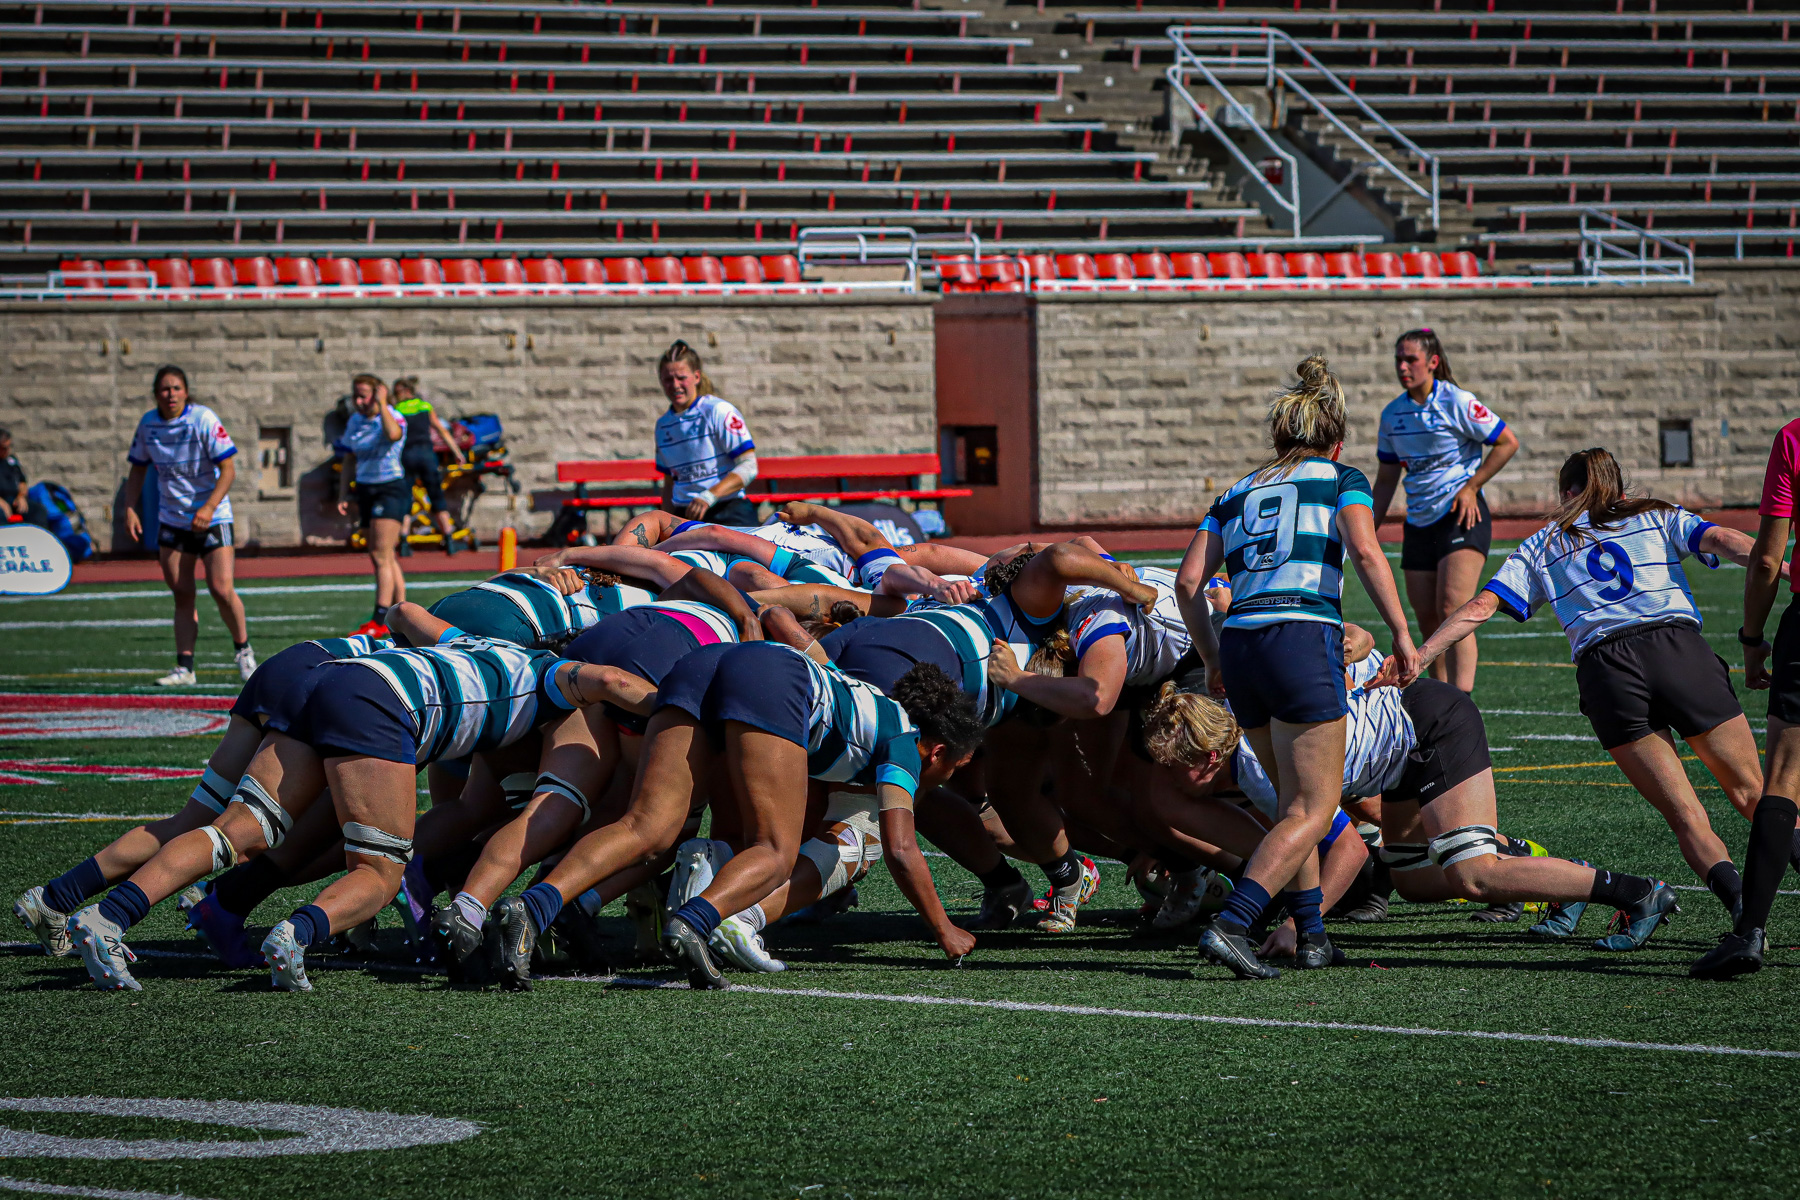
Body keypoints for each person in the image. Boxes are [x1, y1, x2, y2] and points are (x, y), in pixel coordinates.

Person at [1418, 448, 1764, 942]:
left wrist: (1419, 656)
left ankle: (1744, 918)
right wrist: (1785, 569)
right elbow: (1727, 540)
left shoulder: (1542, 542)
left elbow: (1479, 606)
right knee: (1754, 794)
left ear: (1565, 494)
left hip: (1607, 672)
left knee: (1686, 815)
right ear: (1620, 491)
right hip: (1676, 651)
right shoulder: (1655, 515)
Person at [1176, 354, 1420, 980]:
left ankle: (1312, 934)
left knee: (1291, 801)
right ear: (1335, 440)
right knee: (1316, 806)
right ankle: (1233, 923)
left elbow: (1187, 583)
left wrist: (1209, 656)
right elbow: (1365, 551)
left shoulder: (1234, 491)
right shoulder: (1341, 479)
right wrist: (1399, 631)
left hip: (1240, 641)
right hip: (1300, 635)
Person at [1696, 415, 1800, 978]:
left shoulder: (1794, 437)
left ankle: (1749, 932)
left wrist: (1753, 639)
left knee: (1783, 780)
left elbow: (1766, 557)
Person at [1370, 329, 1519, 694]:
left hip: (1461, 517)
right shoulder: (1392, 415)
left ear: (1433, 362)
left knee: (1455, 609)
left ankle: (1461, 700)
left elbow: (1506, 441)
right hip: (1419, 523)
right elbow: (1388, 478)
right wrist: (1366, 526)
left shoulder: (1456, 401)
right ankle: (1440, 698)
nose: (1403, 367)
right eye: (1398, 360)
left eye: (1411, 360)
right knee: (1427, 621)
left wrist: (1472, 487)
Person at [123, 365, 254, 686]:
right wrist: (130, 508)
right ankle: (185, 668)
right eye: (165, 389)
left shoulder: (203, 420)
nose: (171, 394)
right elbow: (138, 469)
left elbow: (228, 469)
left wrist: (209, 507)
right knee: (182, 593)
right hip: (172, 518)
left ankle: (243, 650)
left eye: (177, 388)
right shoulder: (148, 424)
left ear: (186, 391)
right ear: (156, 394)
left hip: (212, 516)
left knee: (221, 588)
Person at [653, 340, 760, 524]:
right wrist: (664, 522)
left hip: (729, 511)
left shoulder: (718, 411)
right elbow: (669, 483)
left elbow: (749, 466)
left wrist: (709, 496)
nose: (675, 385)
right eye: (668, 379)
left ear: (696, 376)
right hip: (685, 516)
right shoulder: (662, 426)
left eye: (681, 377)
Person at [334, 374, 407, 637]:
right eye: (356, 396)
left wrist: (383, 403)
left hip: (390, 487)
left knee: (380, 554)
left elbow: (393, 434)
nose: (359, 401)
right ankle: (402, 611)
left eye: (365, 395)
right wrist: (344, 492)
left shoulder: (393, 416)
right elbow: (349, 458)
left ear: (377, 394)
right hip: (366, 487)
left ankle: (380, 617)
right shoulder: (355, 421)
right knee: (385, 555)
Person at [391, 377, 468, 555]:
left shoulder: (396, 410)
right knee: (437, 497)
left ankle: (403, 542)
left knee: (405, 500)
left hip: (406, 456)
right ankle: (449, 539)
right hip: (426, 455)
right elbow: (441, 430)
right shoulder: (424, 406)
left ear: (403, 392)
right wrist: (456, 452)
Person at [0, 427, 25, 521]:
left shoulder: (12, 461)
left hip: (14, 500)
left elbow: (22, 482)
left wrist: (21, 496)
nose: (7, 450)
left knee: (38, 511)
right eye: (4, 448)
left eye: (9, 446)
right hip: (1, 502)